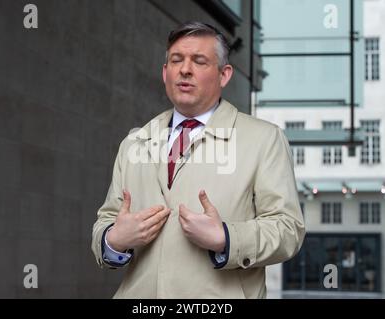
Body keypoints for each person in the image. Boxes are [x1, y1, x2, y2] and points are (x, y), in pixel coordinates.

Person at [91, 21, 305, 299]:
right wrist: (114, 240)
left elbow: (288, 230)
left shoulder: (264, 139)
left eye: (199, 61)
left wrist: (227, 238)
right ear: (165, 72)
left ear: (224, 74)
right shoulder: (135, 141)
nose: (185, 69)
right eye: (176, 60)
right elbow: (106, 221)